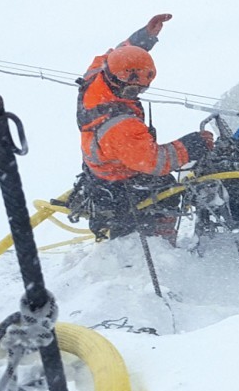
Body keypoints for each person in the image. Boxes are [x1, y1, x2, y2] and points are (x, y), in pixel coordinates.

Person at [71, 14, 213, 238]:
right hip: (119, 184)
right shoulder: (121, 125)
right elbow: (156, 162)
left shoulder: (97, 74)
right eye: (134, 88)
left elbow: (120, 52)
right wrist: (192, 144)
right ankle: (158, 239)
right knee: (168, 189)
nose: (138, 92)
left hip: (98, 169)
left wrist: (145, 37)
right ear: (120, 81)